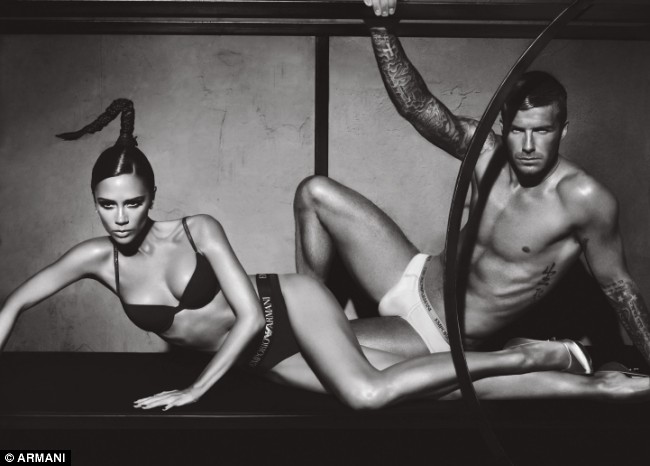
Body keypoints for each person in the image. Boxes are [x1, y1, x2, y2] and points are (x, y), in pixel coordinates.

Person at [0, 99, 605, 412]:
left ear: (151, 197)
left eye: (132, 203)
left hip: (285, 308)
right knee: (425, 391)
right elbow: (15, 303)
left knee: (368, 396)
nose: (120, 217)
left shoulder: (196, 230)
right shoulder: (94, 259)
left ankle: (523, 353)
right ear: (94, 203)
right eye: (106, 205)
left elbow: (246, 318)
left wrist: (194, 391)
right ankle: (584, 380)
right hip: (263, 358)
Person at [293, 0, 650, 397]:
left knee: (304, 353)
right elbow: (416, 106)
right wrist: (380, 25)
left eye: (541, 131)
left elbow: (619, 287)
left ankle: (309, 332)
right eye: (517, 131)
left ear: (562, 130)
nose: (527, 146)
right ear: (504, 126)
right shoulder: (486, 153)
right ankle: (309, 312)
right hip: (412, 274)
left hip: (436, 334)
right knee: (314, 192)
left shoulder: (583, 198)